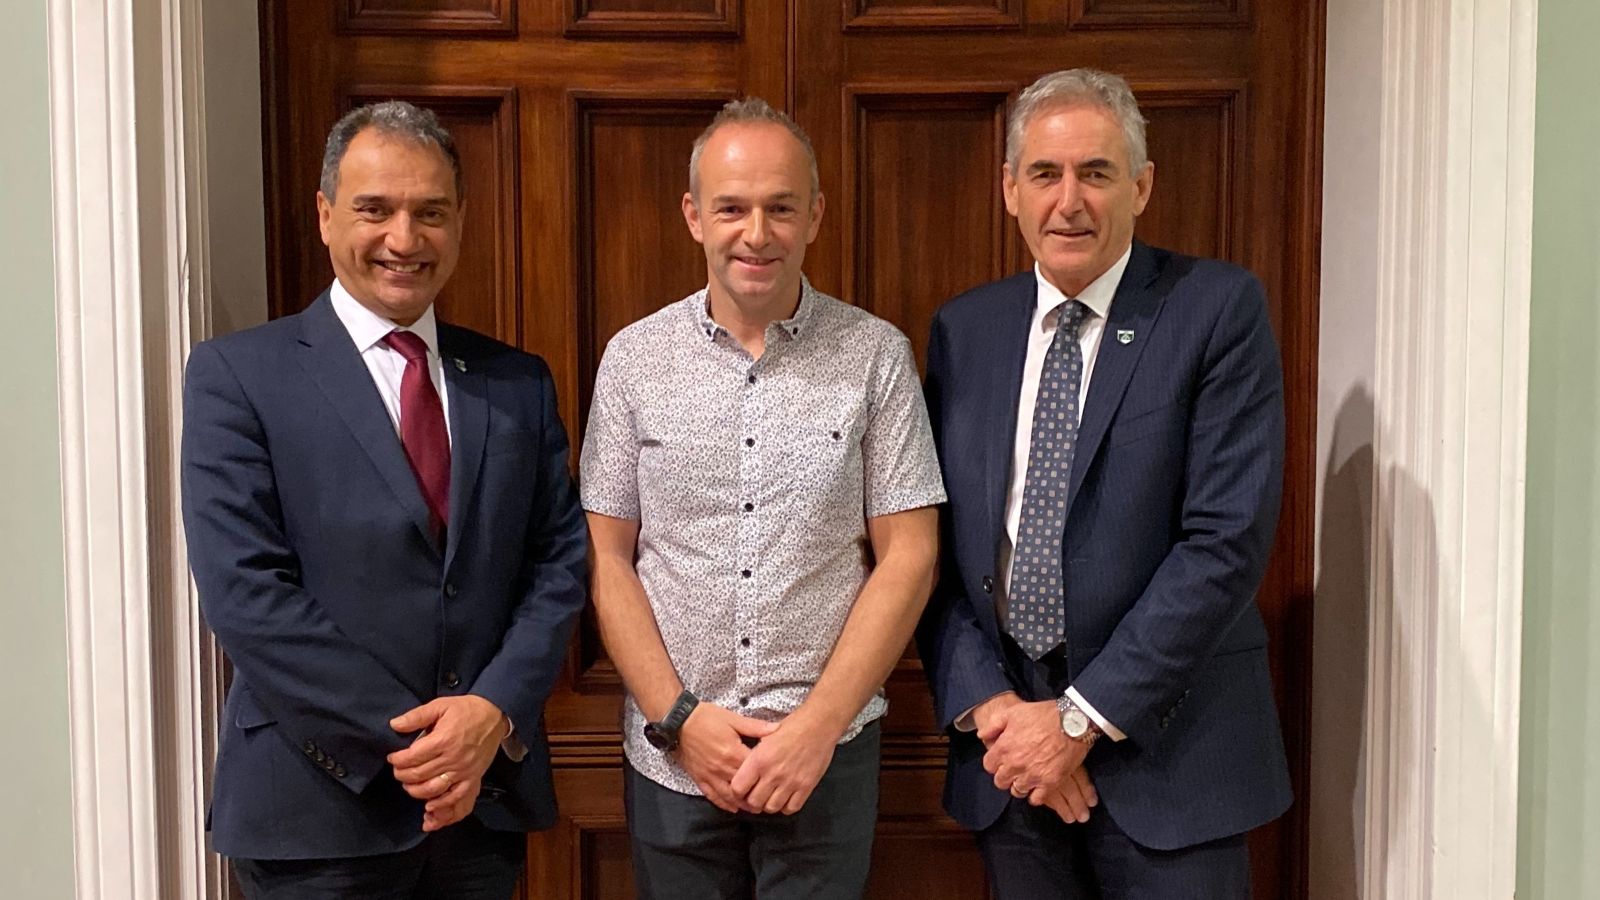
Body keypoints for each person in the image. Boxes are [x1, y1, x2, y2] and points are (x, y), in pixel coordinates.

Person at [181, 100, 587, 899]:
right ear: (327, 214)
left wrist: (491, 714)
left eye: (430, 212)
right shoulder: (238, 377)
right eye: (376, 209)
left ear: (461, 220)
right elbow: (247, 594)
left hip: (481, 814)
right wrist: (422, 748)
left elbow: (559, 564)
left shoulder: (516, 382)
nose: (404, 239)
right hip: (316, 814)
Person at [916, 69, 1292, 899]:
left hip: (1170, 761)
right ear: (1010, 190)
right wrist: (998, 714)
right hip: (1011, 764)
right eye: (1045, 175)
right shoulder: (964, 329)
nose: (1070, 201)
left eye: (1096, 173)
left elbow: (1224, 544)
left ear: (1143, 186)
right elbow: (927, 548)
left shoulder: (1217, 310)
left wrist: (1079, 719)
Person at [579, 97, 945, 899]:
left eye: (780, 207)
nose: (756, 233)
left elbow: (910, 556)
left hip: (827, 756)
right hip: (674, 757)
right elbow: (608, 558)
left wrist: (813, 730)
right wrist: (680, 719)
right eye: (732, 208)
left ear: (814, 214)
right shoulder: (633, 360)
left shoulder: (877, 356)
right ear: (692, 216)